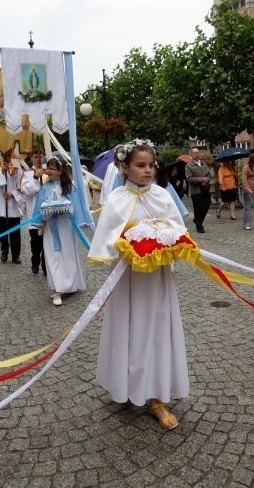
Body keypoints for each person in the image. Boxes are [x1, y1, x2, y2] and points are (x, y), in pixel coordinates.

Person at [88, 139, 189, 431]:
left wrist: (166, 241)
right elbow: (108, 238)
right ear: (125, 167)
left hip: (156, 279)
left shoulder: (162, 196)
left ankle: (157, 395)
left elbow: (177, 231)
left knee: (157, 331)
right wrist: (128, 242)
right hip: (130, 279)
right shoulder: (117, 199)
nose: (148, 171)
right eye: (140, 165)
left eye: (151, 165)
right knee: (129, 328)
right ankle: (125, 385)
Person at [31, 158, 85, 305]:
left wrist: (65, 209)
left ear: (60, 171)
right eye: (47, 167)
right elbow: (39, 209)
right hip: (50, 228)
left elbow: (75, 207)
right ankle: (57, 290)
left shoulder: (69, 187)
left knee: (67, 256)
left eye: (52, 168)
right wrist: (47, 213)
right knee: (52, 256)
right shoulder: (44, 188)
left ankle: (71, 284)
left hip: (65, 227)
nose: (48, 170)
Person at [0, 148, 23, 264]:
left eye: (10, 155)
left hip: (13, 207)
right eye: (6, 155)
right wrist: (1, 173)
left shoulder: (17, 168)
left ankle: (16, 255)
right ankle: (4, 251)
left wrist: (12, 194)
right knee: (3, 232)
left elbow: (22, 187)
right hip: (2, 208)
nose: (8, 158)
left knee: (15, 234)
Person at [21, 149, 46, 275]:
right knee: (36, 242)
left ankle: (46, 266)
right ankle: (35, 261)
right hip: (34, 214)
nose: (39, 159)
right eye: (36, 156)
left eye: (41, 156)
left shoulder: (48, 172)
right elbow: (26, 190)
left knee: (47, 243)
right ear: (31, 158)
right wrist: (36, 177)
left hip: (47, 214)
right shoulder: (27, 174)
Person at [184, 148, 212, 233]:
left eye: (198, 153)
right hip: (196, 191)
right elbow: (189, 178)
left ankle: (197, 219)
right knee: (197, 208)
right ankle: (199, 226)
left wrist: (207, 180)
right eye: (195, 153)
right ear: (191, 155)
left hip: (206, 188)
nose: (197, 154)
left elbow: (209, 175)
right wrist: (201, 180)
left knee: (207, 205)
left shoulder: (204, 164)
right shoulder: (188, 166)